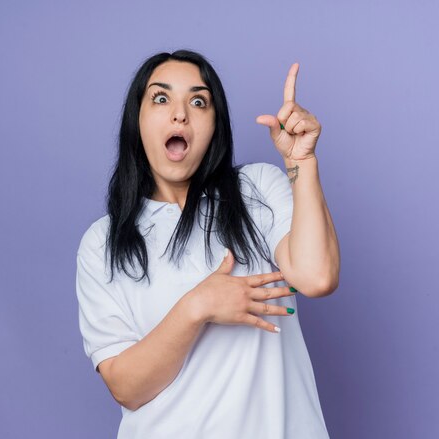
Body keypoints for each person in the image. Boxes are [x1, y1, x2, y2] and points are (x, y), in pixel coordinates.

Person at [76, 49, 340, 439]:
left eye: (198, 101)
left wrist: (303, 162)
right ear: (138, 120)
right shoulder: (103, 243)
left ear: (216, 125)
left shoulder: (257, 190)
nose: (180, 113)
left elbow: (317, 277)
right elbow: (126, 388)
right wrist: (197, 306)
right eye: (161, 98)